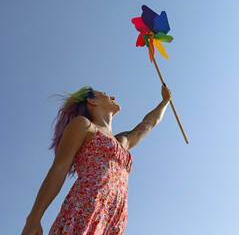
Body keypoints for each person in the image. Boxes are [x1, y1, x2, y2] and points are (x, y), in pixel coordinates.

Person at [22, 84, 172, 235]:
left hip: (113, 219)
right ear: (92, 101)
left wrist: (165, 101)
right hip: (87, 207)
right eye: (105, 94)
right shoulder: (84, 126)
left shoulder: (122, 142)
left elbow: (148, 123)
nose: (112, 97)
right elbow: (59, 168)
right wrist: (34, 218)